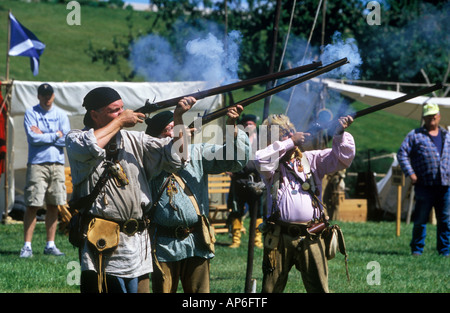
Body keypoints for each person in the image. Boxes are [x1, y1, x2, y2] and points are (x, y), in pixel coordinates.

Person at [65, 87, 195, 293]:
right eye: (114, 110)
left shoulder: (135, 140)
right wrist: (120, 122)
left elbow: (177, 159)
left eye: (122, 109)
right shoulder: (75, 139)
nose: (122, 113)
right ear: (94, 114)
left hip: (137, 243)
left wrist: (178, 117)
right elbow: (91, 146)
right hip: (102, 242)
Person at [145, 106, 250, 293]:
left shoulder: (197, 152)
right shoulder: (150, 157)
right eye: (167, 130)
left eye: (175, 127)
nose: (173, 133)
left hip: (196, 240)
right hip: (162, 243)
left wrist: (232, 127)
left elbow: (235, 161)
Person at [255, 113, 355, 293]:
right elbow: (260, 159)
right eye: (282, 137)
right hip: (279, 236)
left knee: (320, 289)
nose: (288, 138)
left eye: (289, 133)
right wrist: (290, 141)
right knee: (270, 290)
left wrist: (339, 134)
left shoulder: (311, 159)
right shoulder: (272, 165)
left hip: (311, 234)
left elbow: (343, 158)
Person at [20, 83, 70, 258]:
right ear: (39, 96)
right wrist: (56, 134)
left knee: (54, 204)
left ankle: (51, 244)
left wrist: (44, 136)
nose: (47, 98)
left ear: (53, 96)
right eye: (44, 95)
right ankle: (27, 246)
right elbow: (33, 138)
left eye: (50, 95)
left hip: (57, 164)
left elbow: (67, 140)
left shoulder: (61, 115)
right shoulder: (31, 113)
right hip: (37, 164)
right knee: (33, 204)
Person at [397, 103, 450, 257]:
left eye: (434, 115)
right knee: (420, 219)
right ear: (424, 118)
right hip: (424, 185)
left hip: (445, 185)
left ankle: (445, 251)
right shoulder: (415, 135)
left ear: (439, 116)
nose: (431, 119)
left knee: (445, 221)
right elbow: (402, 154)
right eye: (428, 116)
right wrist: (411, 173)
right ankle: (417, 250)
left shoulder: (447, 135)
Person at [227, 114, 264, 248]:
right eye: (246, 124)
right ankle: (236, 240)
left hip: (257, 181)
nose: (249, 126)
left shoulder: (262, 140)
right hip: (239, 180)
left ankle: (257, 240)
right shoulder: (237, 139)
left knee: (258, 211)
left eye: (251, 123)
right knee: (236, 209)